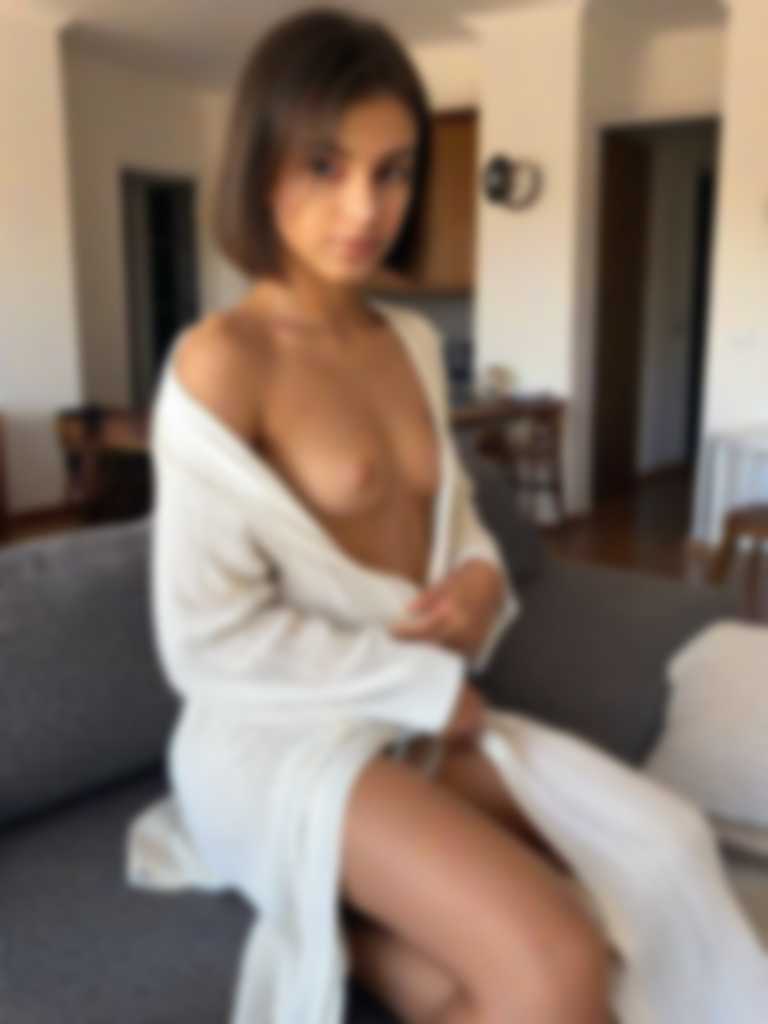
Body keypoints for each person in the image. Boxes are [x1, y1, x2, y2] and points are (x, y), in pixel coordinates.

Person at [132, 7, 767, 1024]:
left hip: (400, 716)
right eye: (326, 165)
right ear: (261, 165)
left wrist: (477, 576)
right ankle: (338, 914)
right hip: (276, 741)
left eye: (392, 171)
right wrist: (428, 685)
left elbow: (455, 516)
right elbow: (204, 638)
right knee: (556, 956)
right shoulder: (221, 363)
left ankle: (359, 936)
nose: (365, 206)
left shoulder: (413, 345)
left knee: (661, 848)